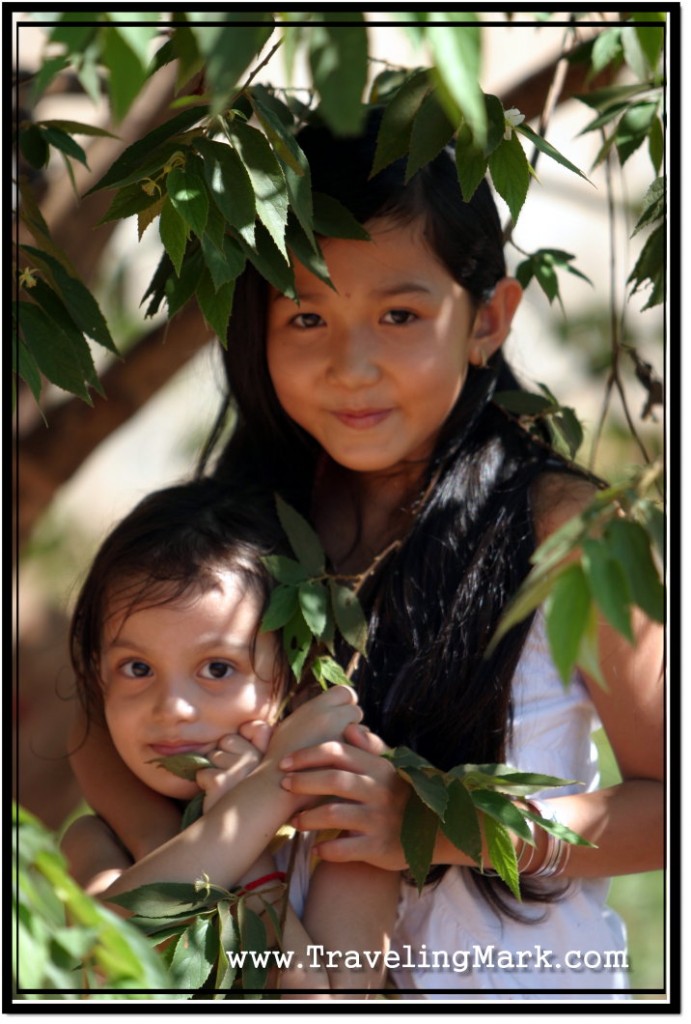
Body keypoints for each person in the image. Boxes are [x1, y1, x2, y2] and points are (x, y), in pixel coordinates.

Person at [70, 106, 664, 1000]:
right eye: (305, 317)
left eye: (396, 313)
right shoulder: (235, 530)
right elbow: (98, 716)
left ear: (486, 320)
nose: (351, 365)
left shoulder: (566, 529)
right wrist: (212, 835)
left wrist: (429, 827)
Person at [61, 477, 399, 996]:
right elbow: (109, 965)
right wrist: (257, 802)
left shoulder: (340, 829)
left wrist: (253, 851)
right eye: (136, 667)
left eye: (218, 669)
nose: (171, 709)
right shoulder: (94, 841)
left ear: (298, 673)